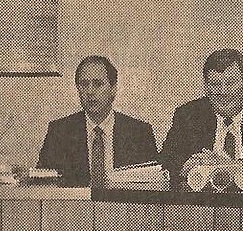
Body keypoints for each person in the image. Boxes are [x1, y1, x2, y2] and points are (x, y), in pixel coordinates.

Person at [159, 49, 243, 185]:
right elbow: (165, 161)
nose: (223, 92)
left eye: (231, 83)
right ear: (206, 87)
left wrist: (228, 167)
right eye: (215, 84)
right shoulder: (188, 115)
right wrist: (184, 168)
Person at [36, 56, 157, 185]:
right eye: (84, 84)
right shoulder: (60, 132)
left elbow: (154, 189)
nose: (90, 91)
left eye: (98, 84)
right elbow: (43, 183)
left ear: (113, 88)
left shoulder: (139, 133)